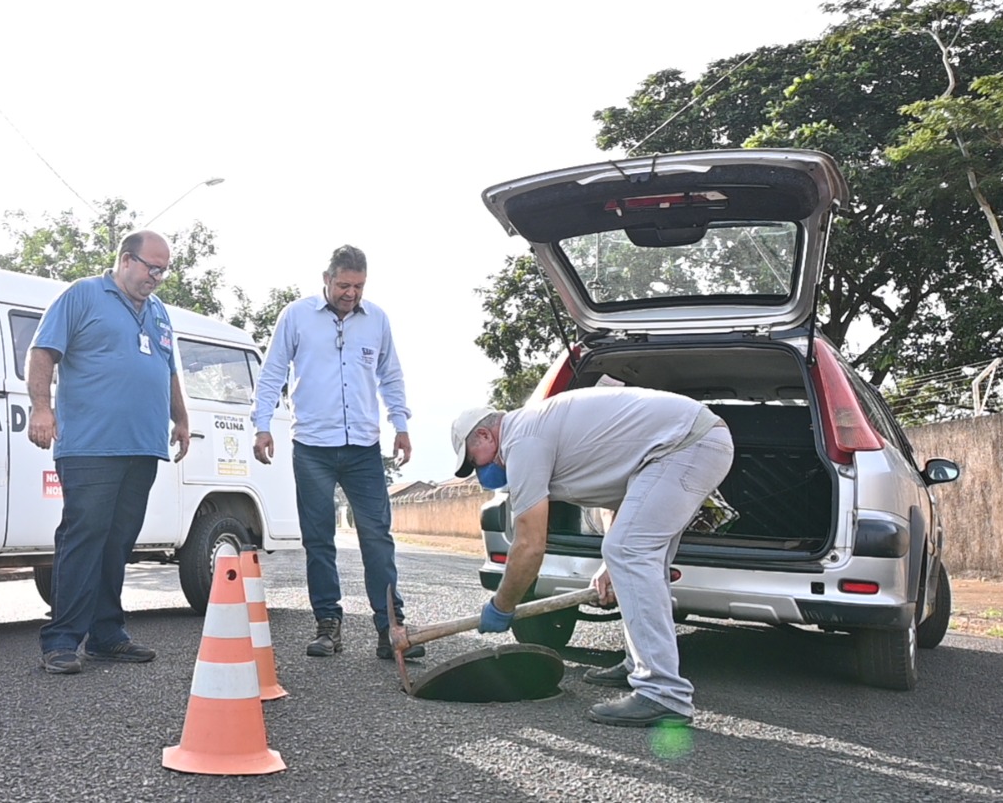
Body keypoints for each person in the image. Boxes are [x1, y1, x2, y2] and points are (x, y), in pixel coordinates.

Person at [451, 387, 734, 726]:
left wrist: (503, 605)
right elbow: (622, 497)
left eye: (473, 459)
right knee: (635, 559)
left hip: (686, 444)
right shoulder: (537, 432)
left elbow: (529, 544)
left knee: (628, 552)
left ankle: (663, 693)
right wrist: (609, 566)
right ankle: (640, 664)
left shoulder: (521, 440)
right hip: (683, 445)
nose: (477, 471)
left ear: (484, 434)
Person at [27, 230, 191, 675]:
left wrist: (181, 419)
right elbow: (43, 352)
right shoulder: (82, 295)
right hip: (91, 445)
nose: (157, 277)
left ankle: (106, 635)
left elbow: (167, 368)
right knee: (84, 537)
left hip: (143, 445)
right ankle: (61, 639)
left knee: (118, 541)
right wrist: (41, 408)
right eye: (150, 267)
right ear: (125, 259)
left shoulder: (157, 313)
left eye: (164, 270)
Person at [252, 244, 424, 661]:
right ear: (326, 279)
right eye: (344, 285)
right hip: (312, 446)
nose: (351, 293)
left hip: (364, 447)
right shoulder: (296, 316)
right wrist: (261, 426)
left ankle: (390, 628)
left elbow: (391, 374)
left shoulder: (377, 319)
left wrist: (400, 425)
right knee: (319, 540)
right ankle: (328, 625)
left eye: (359, 286)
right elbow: (273, 370)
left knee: (378, 538)